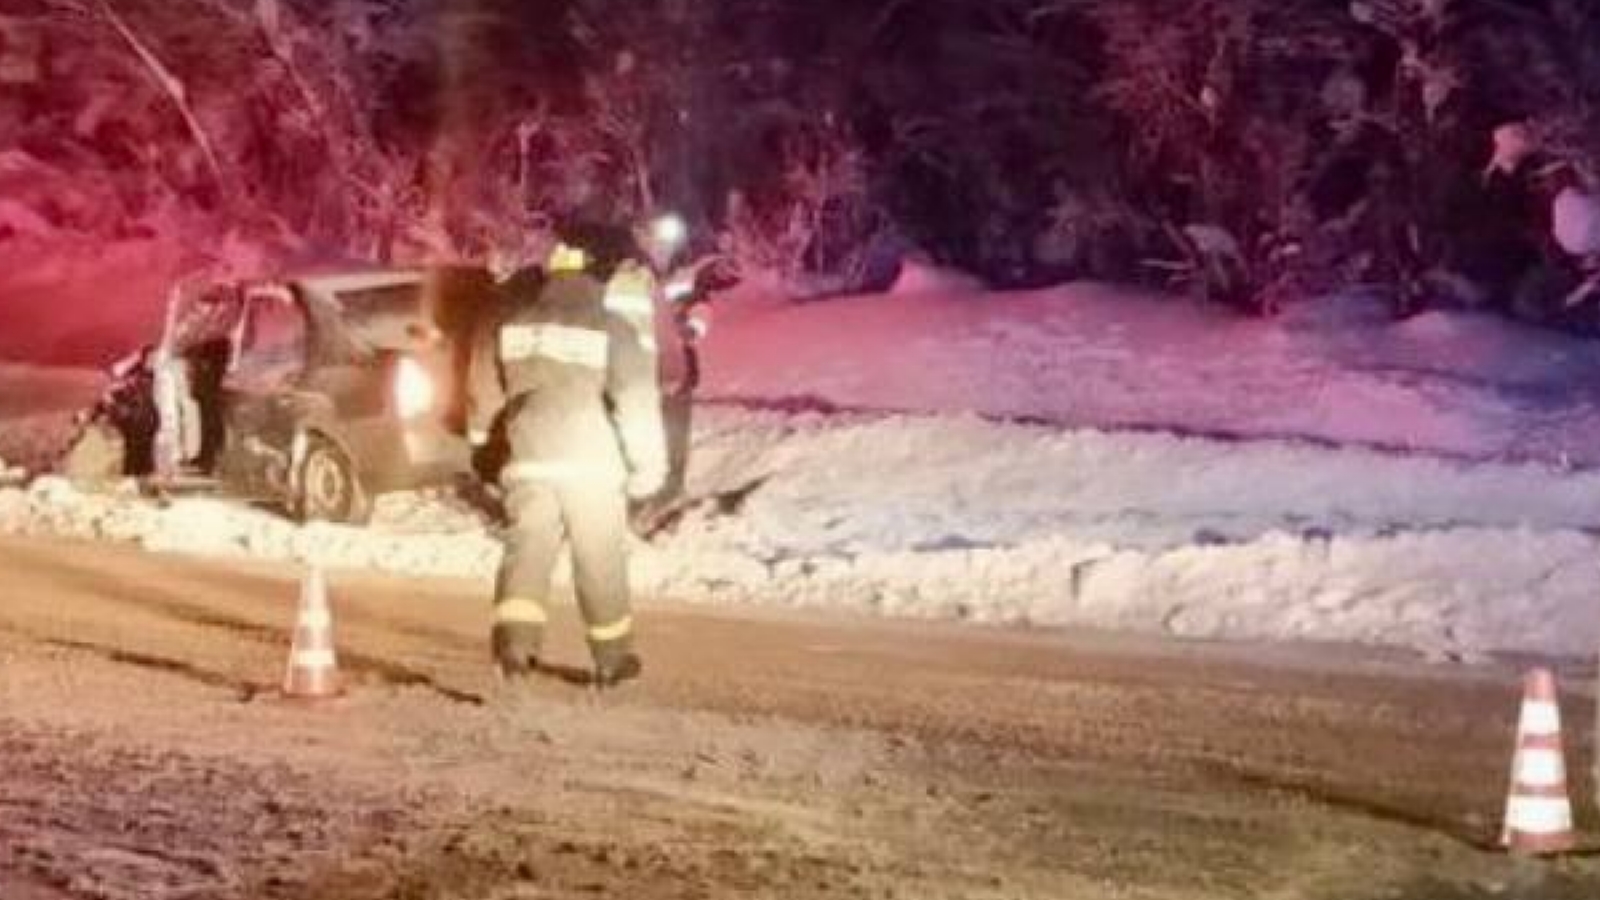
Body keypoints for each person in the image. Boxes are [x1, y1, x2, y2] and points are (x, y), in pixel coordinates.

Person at [466, 229, 669, 687]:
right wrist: (648, 470)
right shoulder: (612, 326)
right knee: (599, 560)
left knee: (526, 556)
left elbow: (483, 389)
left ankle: (514, 654)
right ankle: (612, 661)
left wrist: (481, 443)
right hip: (591, 464)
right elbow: (636, 402)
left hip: (530, 458)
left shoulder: (515, 322)